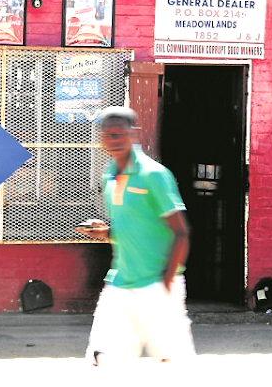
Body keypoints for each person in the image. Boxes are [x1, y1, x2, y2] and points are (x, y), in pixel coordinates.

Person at [76, 106, 195, 365]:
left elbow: (181, 232)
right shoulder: (110, 175)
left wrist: (165, 282)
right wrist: (107, 232)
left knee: (174, 365)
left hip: (157, 285)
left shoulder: (154, 175)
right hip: (119, 285)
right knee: (102, 360)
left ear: (134, 134)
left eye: (120, 134)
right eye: (108, 135)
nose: (114, 140)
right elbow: (133, 227)